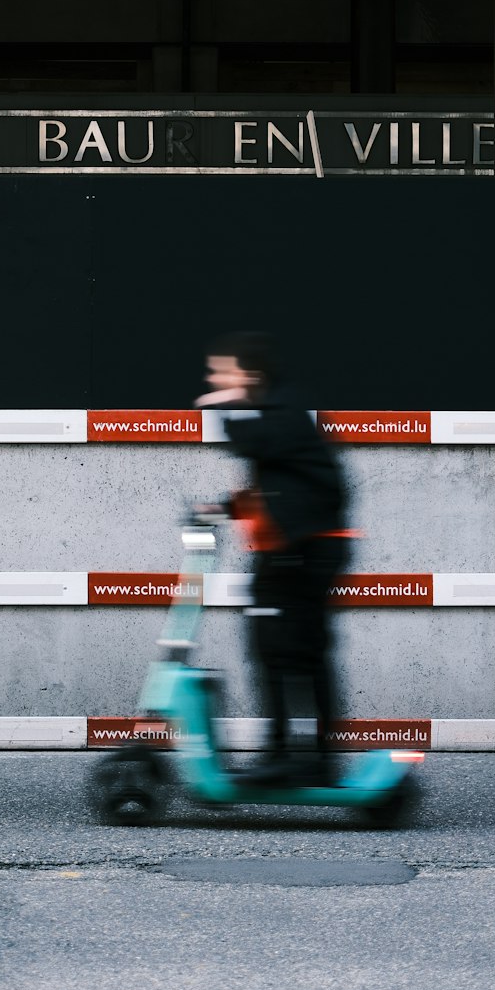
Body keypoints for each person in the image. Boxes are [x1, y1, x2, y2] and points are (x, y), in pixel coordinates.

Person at [195, 332, 352, 785]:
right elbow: (282, 479)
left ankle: (298, 758)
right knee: (291, 651)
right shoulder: (280, 410)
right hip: (297, 548)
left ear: (250, 374)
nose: (215, 379)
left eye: (223, 372)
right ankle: (304, 755)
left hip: (300, 552)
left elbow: (253, 443)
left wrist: (220, 403)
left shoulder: (282, 409)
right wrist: (223, 508)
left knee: (286, 651)